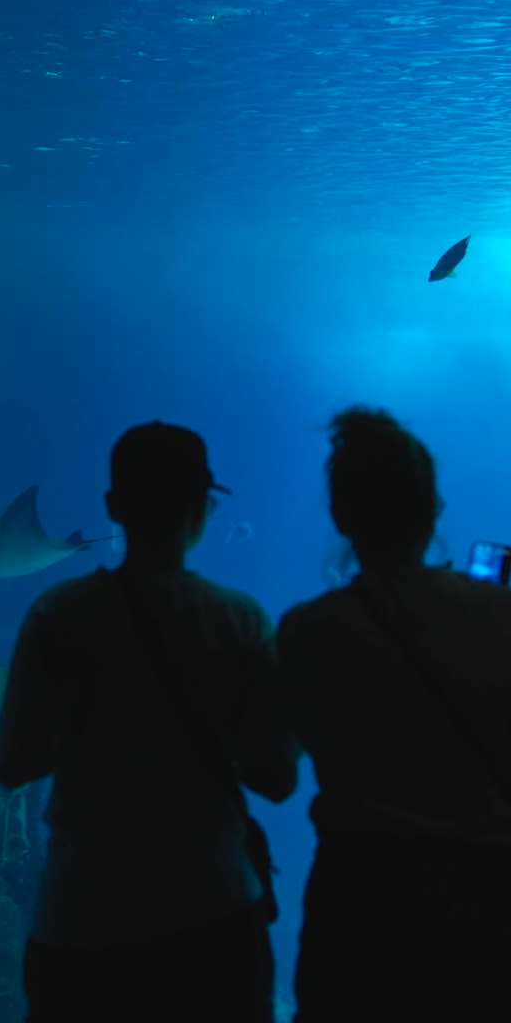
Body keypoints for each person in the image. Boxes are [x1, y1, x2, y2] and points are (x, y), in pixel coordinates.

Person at [0, 420, 297, 1023]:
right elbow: (277, 777)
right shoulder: (237, 620)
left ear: (115, 505)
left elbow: (11, 764)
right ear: (204, 507)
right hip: (210, 908)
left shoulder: (60, 614)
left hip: (83, 912)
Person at [277, 406, 511, 1023]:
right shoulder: (500, 616)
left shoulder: (310, 630)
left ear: (340, 513)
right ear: (434, 508)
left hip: (358, 911)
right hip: (484, 908)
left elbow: (273, 774)